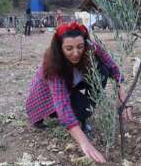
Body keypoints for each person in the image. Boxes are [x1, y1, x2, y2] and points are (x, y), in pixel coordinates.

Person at [25, 21, 133, 163]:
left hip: (72, 84)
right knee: (76, 110)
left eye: (80, 47)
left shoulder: (91, 47)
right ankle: (77, 117)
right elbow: (62, 104)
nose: (76, 53)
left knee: (103, 70)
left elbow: (111, 65)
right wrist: (84, 143)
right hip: (48, 97)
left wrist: (121, 93)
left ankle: (85, 108)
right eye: (69, 48)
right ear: (60, 48)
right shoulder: (53, 67)